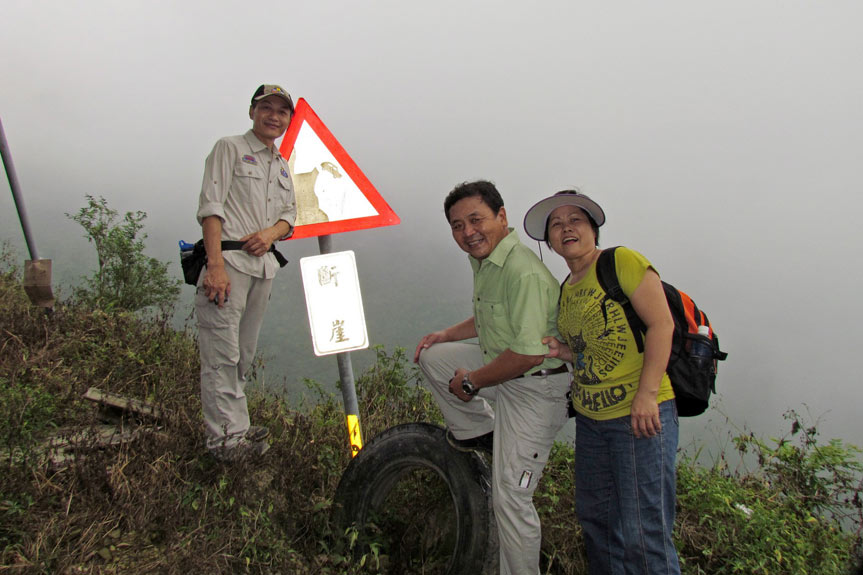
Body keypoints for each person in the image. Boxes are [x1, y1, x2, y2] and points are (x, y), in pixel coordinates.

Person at [413, 180, 570, 575]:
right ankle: (483, 434)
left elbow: (528, 353)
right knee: (434, 357)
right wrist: (446, 335)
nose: (468, 232)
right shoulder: (488, 262)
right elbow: (490, 317)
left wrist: (472, 382)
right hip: (507, 369)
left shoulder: (521, 271)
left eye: (476, 220)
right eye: (457, 225)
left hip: (537, 387)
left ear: (502, 217)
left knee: (511, 500)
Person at [523, 190, 680, 575]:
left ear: (593, 229)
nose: (566, 228)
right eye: (556, 224)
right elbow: (592, 349)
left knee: (644, 533)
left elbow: (662, 325)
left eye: (575, 220)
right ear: (550, 240)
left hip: (638, 417)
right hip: (592, 423)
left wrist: (646, 396)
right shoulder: (567, 288)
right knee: (597, 523)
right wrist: (564, 351)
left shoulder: (620, 262)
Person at [195, 84, 297, 462]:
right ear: (252, 111)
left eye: (282, 111)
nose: (274, 116)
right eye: (266, 107)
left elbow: (290, 217)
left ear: (288, 120)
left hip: (263, 268)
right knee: (221, 353)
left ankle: (235, 427)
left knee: (242, 355)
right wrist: (215, 266)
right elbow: (211, 208)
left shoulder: (281, 164)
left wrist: (270, 234)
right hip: (228, 264)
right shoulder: (230, 149)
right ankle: (225, 443)